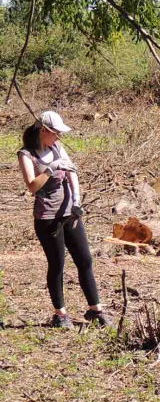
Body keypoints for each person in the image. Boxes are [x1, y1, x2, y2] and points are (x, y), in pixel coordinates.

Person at [17, 111, 111, 329]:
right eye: (56, 133)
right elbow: (32, 186)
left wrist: (77, 200)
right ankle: (60, 314)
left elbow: (72, 172)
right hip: (47, 218)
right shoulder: (27, 154)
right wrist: (51, 168)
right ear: (43, 131)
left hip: (70, 213)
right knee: (57, 264)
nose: (59, 137)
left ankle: (95, 310)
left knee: (85, 260)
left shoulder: (57, 148)